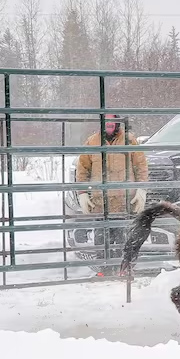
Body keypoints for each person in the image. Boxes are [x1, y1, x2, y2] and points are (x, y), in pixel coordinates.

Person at [75, 114, 149, 275]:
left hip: (124, 202)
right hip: (100, 202)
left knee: (124, 239)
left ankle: (122, 271)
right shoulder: (92, 142)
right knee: (101, 240)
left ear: (117, 123)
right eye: (106, 120)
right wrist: (82, 193)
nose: (109, 124)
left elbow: (141, 166)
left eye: (112, 121)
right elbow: (82, 170)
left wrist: (142, 189)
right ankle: (105, 271)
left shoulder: (129, 141)